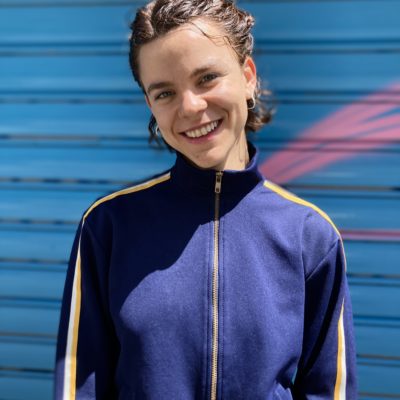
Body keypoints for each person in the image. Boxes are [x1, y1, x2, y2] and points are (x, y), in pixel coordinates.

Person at [54, 0, 357, 398]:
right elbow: (78, 386)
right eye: (165, 92)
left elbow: (328, 391)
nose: (191, 106)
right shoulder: (108, 226)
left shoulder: (310, 236)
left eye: (207, 78)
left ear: (248, 77)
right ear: (150, 104)